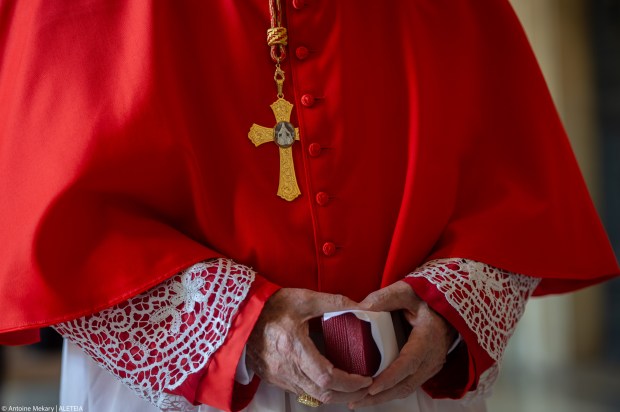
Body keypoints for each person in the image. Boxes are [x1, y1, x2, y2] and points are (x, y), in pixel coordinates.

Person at [0, 1, 618, 411]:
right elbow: (49, 209)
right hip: (177, 389)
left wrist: (446, 306)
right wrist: (242, 325)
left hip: (404, 384)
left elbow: (512, 184)